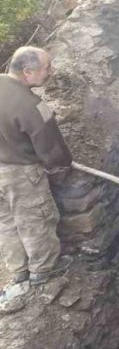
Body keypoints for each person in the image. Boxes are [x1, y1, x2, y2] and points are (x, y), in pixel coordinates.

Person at [0, 47, 72, 301]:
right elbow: (52, 150)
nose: (51, 72)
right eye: (47, 68)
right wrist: (62, 167)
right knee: (35, 219)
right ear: (27, 72)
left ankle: (19, 271)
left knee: (6, 223)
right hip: (20, 173)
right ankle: (43, 269)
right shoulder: (32, 106)